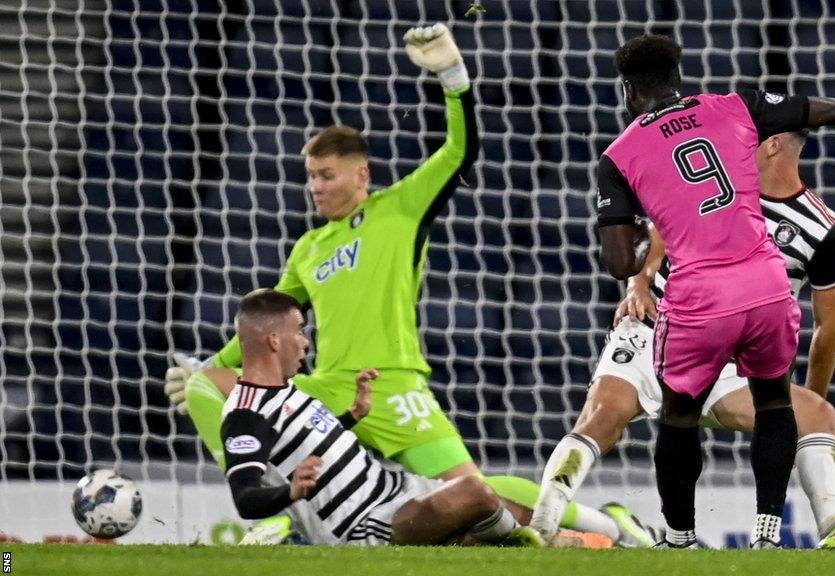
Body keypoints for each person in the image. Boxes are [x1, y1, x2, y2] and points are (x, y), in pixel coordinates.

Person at [164, 23, 651, 546]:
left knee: (470, 490)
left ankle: (608, 523)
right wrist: (215, 366)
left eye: (327, 175)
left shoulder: (399, 208)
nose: (316, 187)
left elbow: (459, 152)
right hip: (327, 390)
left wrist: (452, 77)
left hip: (393, 386)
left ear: (361, 175)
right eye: (310, 176)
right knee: (204, 388)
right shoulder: (308, 248)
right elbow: (266, 323)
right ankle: (277, 514)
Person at [594, 34, 835, 548]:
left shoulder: (620, 154)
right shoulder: (736, 106)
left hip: (699, 296)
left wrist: (638, 240)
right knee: (776, 403)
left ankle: (680, 537)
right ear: (679, 76)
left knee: (679, 416)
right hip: (766, 285)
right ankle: (767, 537)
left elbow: (621, 261)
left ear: (628, 91)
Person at [530, 129, 835, 550]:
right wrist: (639, 284)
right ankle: (543, 524)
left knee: (819, 416)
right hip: (654, 330)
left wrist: (801, 408)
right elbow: (657, 236)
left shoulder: (822, 230)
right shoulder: (715, 183)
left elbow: (829, 325)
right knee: (602, 415)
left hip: (732, 361)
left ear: (773, 144)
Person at [219, 289, 555, 546]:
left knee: (522, 513)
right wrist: (290, 492)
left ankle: (570, 543)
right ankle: (516, 542)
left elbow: (311, 437)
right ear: (274, 340)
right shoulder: (246, 412)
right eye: (300, 331)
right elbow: (245, 498)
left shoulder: (285, 388)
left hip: (395, 489)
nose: (306, 343)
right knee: (474, 492)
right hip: (369, 522)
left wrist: (352, 416)